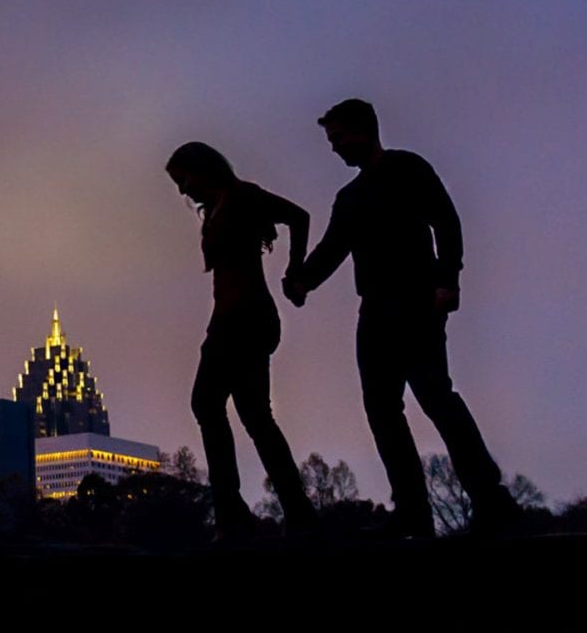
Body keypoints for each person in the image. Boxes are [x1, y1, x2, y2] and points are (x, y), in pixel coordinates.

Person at [283, 98, 516, 538]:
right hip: (374, 309)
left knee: (435, 396)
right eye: (331, 140)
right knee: (382, 408)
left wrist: (448, 280)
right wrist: (302, 283)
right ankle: (412, 509)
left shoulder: (408, 169)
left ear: (364, 130)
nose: (335, 148)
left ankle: (490, 498)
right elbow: (334, 247)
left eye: (339, 137)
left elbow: (445, 221)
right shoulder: (349, 197)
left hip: (415, 301)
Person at [166, 141, 317, 539]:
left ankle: (234, 515)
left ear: (203, 169)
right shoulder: (216, 210)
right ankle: (292, 513)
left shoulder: (242, 197)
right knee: (253, 416)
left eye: (184, 179)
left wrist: (295, 269)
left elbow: (298, 217)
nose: (183, 190)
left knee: (211, 404)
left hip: (245, 318)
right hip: (233, 319)